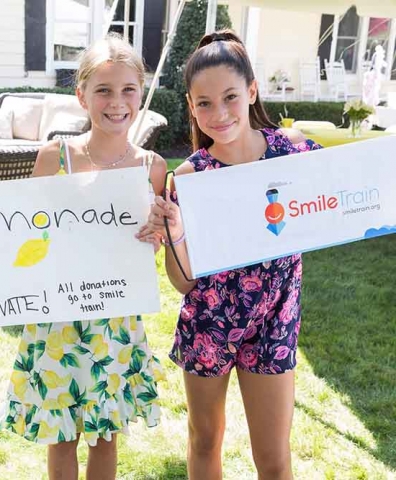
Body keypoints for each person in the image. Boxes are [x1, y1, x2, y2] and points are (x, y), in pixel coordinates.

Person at [138, 29, 322, 480]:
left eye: (230, 97)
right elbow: (183, 283)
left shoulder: (294, 154)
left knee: (275, 457)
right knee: (204, 440)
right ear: (191, 105)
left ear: (252, 91)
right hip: (208, 323)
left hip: (274, 321)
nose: (218, 114)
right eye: (204, 103)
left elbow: (340, 202)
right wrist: (177, 234)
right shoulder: (189, 176)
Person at [0, 34, 166, 480]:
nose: (117, 102)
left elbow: (153, 246)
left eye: (128, 90)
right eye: (104, 90)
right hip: (58, 319)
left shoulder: (152, 167)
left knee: (107, 435)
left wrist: (160, 233)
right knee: (62, 435)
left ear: (141, 93)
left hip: (116, 320)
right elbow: (27, 234)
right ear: (82, 95)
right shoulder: (55, 157)